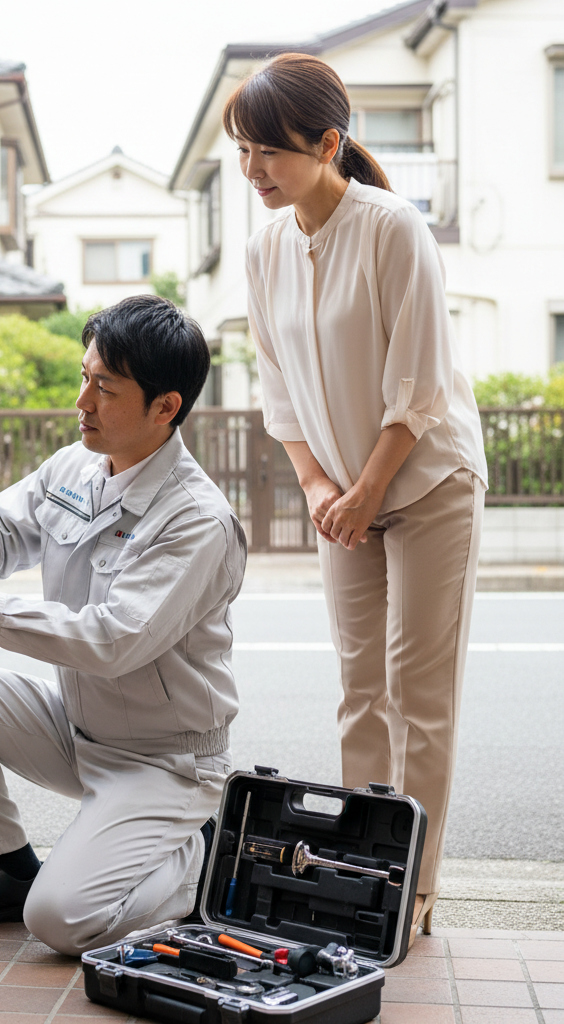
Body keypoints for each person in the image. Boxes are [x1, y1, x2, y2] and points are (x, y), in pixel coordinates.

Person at [0, 295, 246, 956]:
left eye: (104, 387)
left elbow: (112, 639)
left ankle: (195, 858)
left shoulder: (196, 519)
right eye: (85, 377)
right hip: (80, 729)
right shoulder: (75, 466)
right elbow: (0, 534)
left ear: (165, 407)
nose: (82, 401)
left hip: (166, 762)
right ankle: (7, 868)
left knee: (59, 921)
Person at [227, 53, 487, 945]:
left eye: (270, 151)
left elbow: (418, 386)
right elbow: (279, 383)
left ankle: (412, 888)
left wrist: (366, 488)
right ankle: (359, 879)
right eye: (245, 152)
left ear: (328, 143)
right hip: (343, 491)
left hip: (428, 480)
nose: (255, 170)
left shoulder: (390, 227)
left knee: (420, 695)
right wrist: (316, 484)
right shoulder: (265, 247)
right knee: (356, 691)